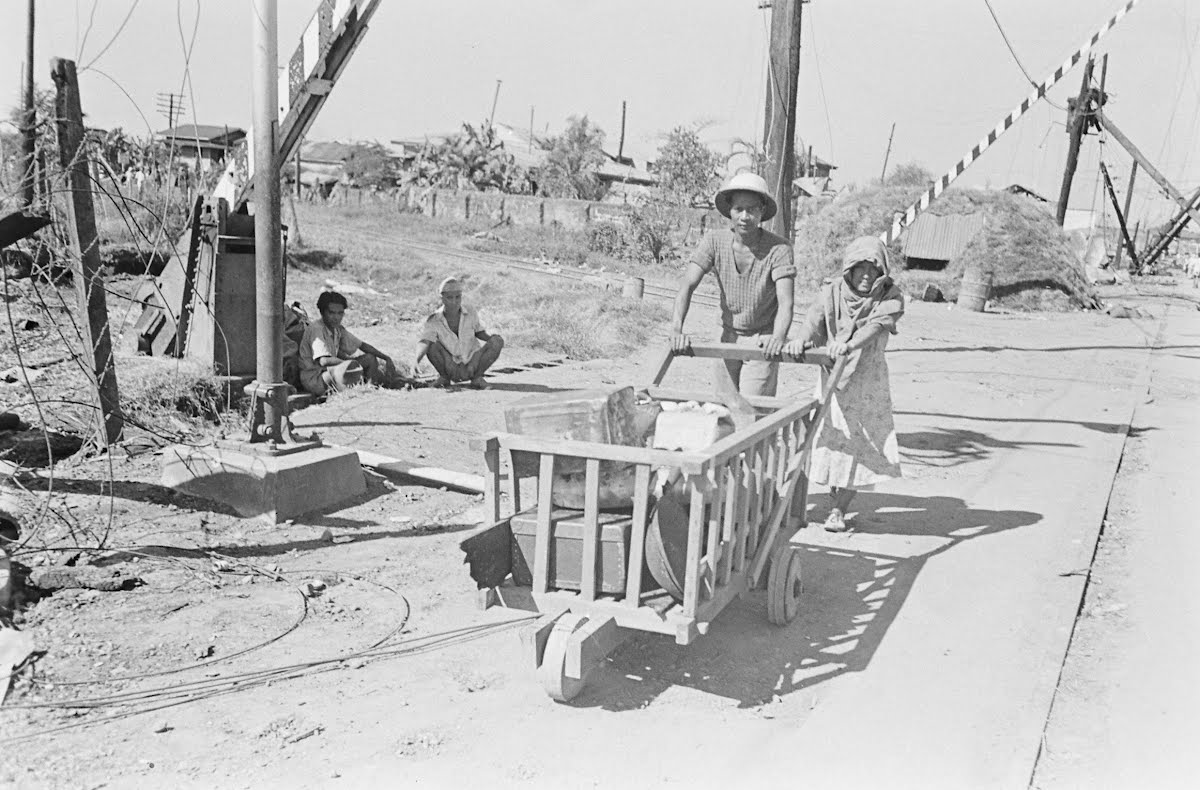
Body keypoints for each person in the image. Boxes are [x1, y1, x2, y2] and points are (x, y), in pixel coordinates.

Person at [784, 235, 905, 532]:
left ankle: (839, 509)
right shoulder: (832, 292)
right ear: (848, 269)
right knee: (830, 439)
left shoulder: (890, 297)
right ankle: (828, 498)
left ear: (882, 274)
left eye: (873, 269)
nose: (866, 275)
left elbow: (875, 327)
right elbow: (813, 320)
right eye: (859, 267)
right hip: (832, 378)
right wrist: (801, 340)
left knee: (862, 445)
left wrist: (848, 345)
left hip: (867, 381)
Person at [670, 172, 795, 396]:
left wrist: (777, 338)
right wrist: (677, 330)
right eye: (739, 209)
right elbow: (687, 285)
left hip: (761, 338)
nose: (745, 217)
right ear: (730, 210)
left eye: (752, 209)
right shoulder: (714, 241)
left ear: (762, 211)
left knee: (752, 411)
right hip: (726, 334)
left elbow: (786, 303)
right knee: (724, 410)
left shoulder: (779, 249)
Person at [298, 290, 398, 396]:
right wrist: (349, 364)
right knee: (350, 371)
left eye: (340, 313)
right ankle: (361, 390)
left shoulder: (338, 329)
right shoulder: (316, 329)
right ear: (322, 312)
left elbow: (362, 345)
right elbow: (324, 361)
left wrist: (386, 358)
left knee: (370, 358)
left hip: (332, 371)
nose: (336, 317)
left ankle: (371, 389)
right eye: (331, 313)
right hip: (315, 378)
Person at [413, 277, 504, 389]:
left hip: (472, 363)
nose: (454, 301)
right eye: (449, 298)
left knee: (497, 341)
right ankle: (444, 378)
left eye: (458, 297)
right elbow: (425, 341)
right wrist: (416, 360)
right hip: (450, 366)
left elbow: (479, 332)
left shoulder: (470, 311)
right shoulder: (434, 320)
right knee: (432, 345)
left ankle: (477, 378)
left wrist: (492, 340)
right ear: (442, 299)